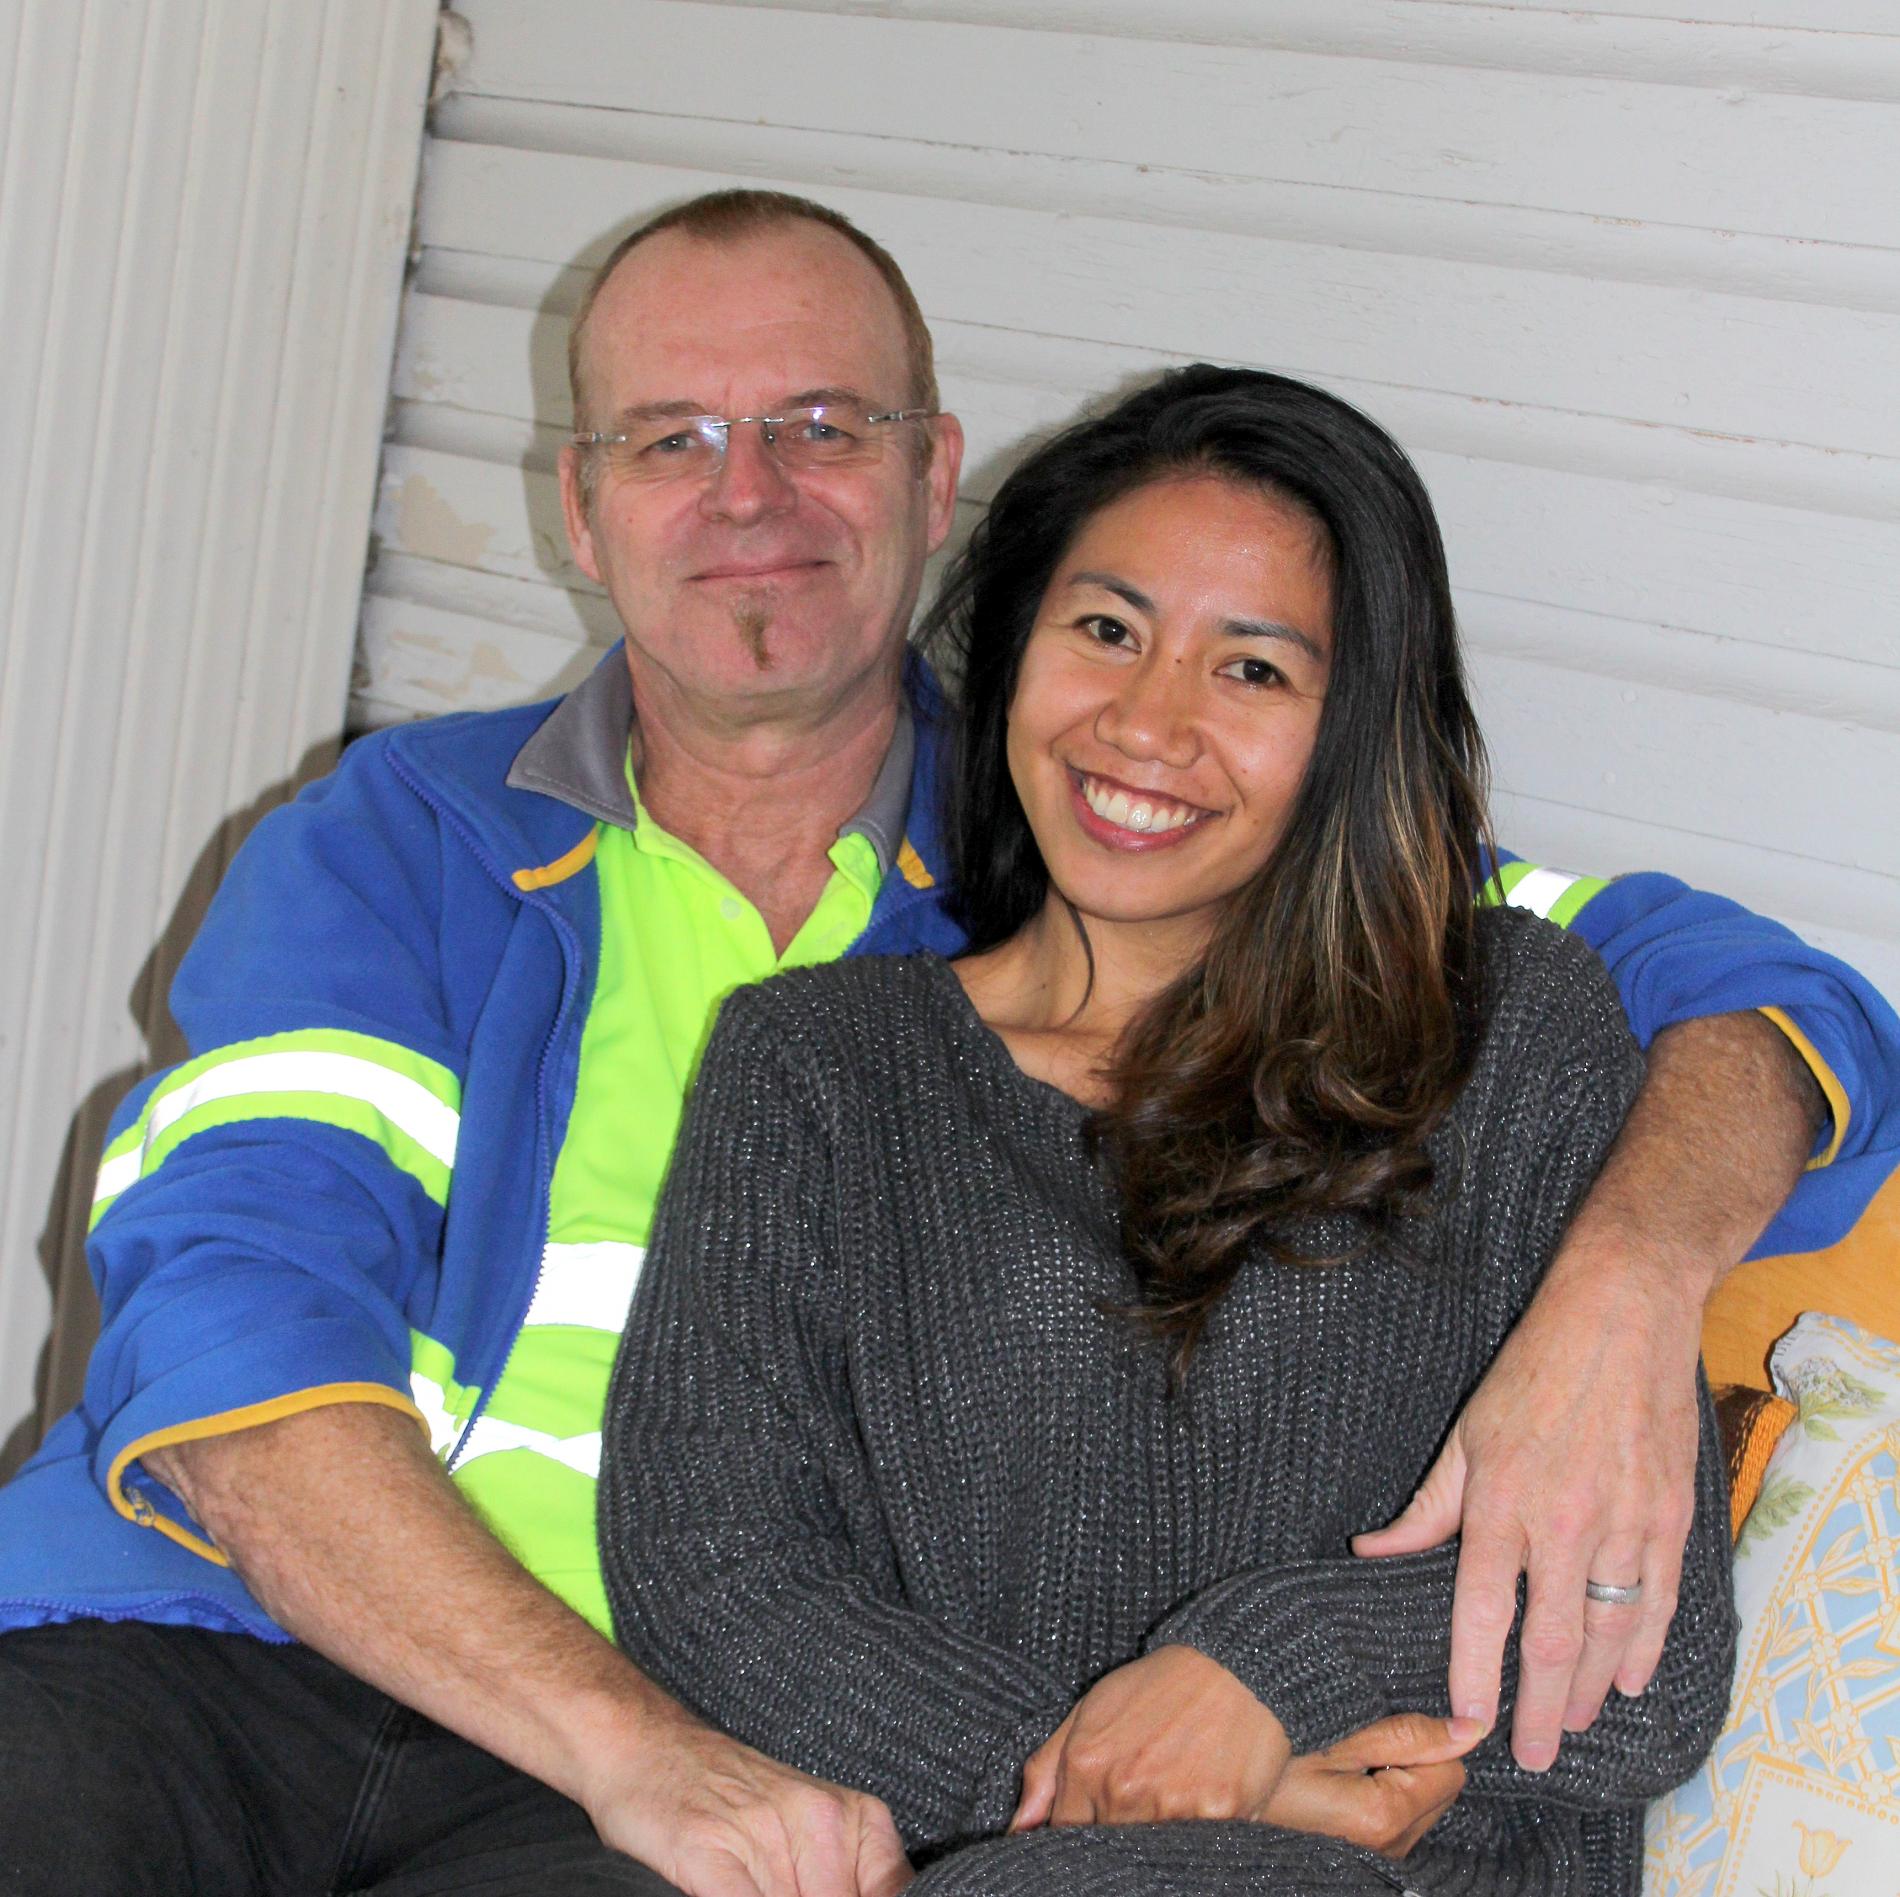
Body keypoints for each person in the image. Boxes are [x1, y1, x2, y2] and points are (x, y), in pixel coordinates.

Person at [0, 190, 1887, 1896]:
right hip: (231, 1649)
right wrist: (644, 1746)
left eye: (821, 428)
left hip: (715, 1796)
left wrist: (1635, 1279)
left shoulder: (1114, 824)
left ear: (931, 475)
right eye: (676, 438)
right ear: (580, 505)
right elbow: (233, 1320)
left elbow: (1735, 994)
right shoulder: (397, 845)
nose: (751, 494)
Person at [600, 365, 1743, 1894]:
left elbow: (1649, 1668)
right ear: (1013, 649)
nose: (1148, 722)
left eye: (1254, 671)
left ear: (1355, 730)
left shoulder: (1509, 1027)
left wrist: (1266, 1675)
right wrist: (1123, 1776)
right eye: (1108, 630)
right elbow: (714, 1582)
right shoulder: (818, 1070)